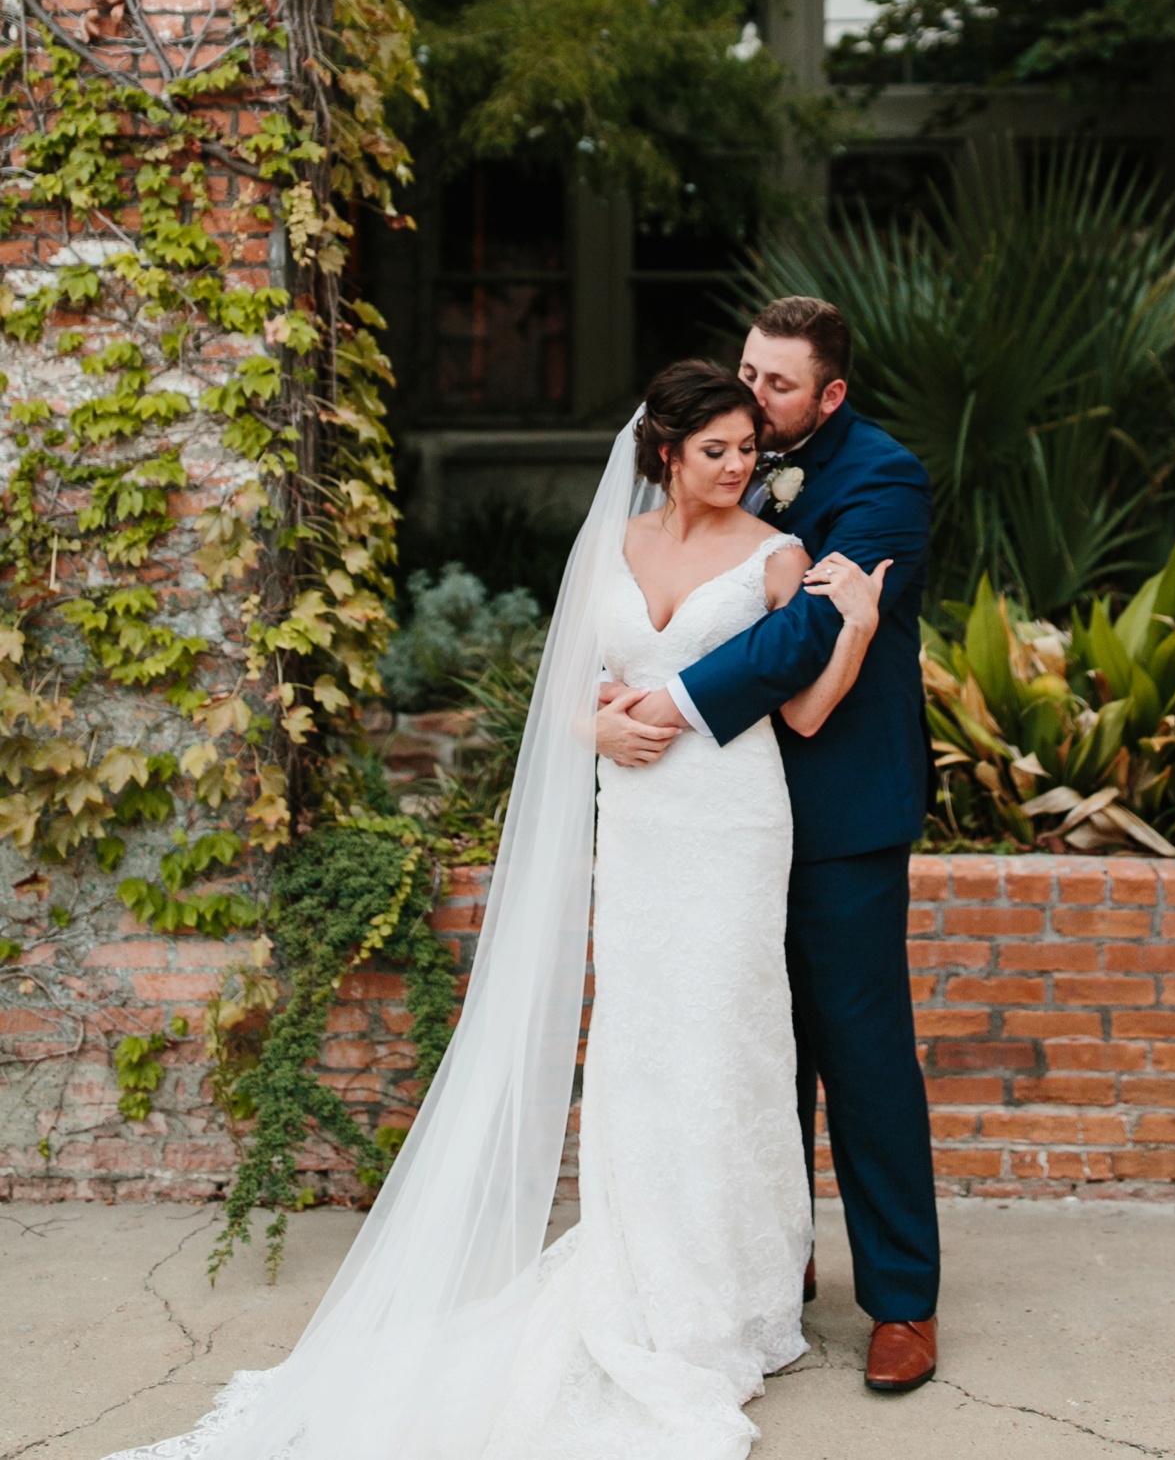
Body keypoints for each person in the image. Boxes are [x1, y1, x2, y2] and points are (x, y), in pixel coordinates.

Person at [101, 352, 900, 1460]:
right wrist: (600, 730)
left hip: (731, 825)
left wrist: (854, 623)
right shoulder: (611, 548)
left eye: (750, 452)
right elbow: (566, 692)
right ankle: (640, 1267)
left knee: (732, 1042)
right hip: (639, 830)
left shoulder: (780, 555)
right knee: (636, 1045)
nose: (738, 467)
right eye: (716, 451)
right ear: (663, 453)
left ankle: (738, 1295)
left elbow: (806, 714)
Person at [612, 296, 941, 1397]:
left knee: (861, 1053)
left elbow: (806, 628)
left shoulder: (885, 480)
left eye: (778, 385)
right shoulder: (725, 457)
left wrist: (671, 704)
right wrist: (606, 708)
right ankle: (768, 1262)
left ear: (831, 394)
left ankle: (901, 1301)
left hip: (837, 806)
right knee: (752, 1043)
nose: (751, 398)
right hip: (718, 812)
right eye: (746, 371)